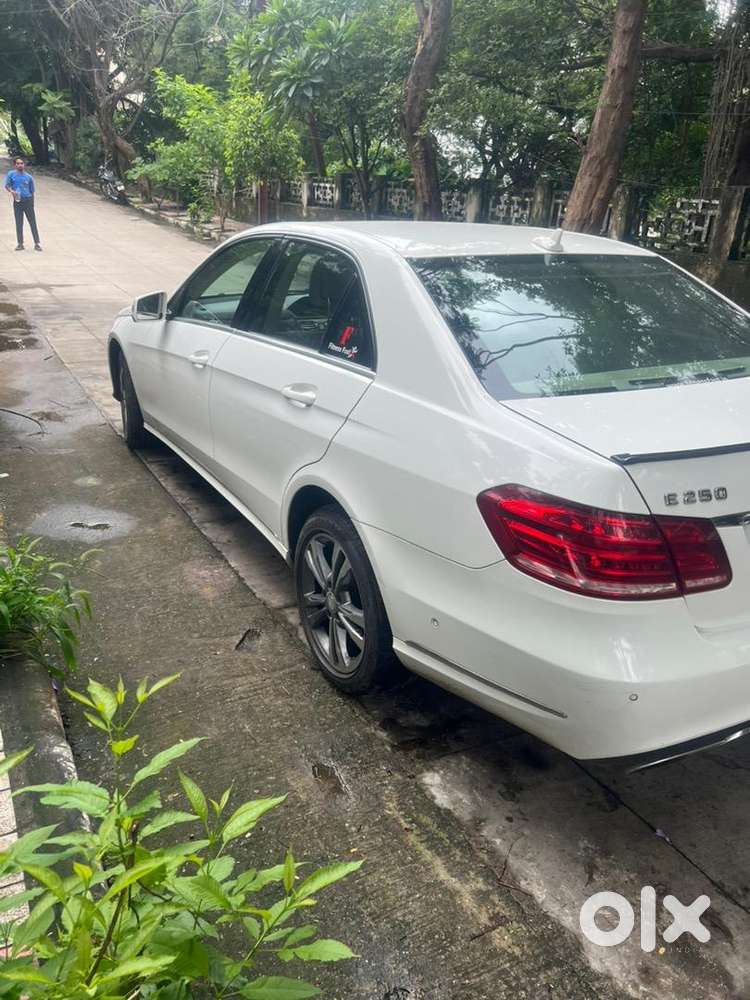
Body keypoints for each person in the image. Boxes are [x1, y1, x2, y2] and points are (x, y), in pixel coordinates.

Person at [4, 157, 42, 251]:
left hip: (28, 201)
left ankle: (37, 243)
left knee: (32, 223)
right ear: (15, 165)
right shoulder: (11, 174)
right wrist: (12, 191)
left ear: (24, 165)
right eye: (18, 163)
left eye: (21, 163)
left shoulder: (29, 177)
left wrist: (32, 203)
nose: (20, 165)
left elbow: (32, 191)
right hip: (17, 202)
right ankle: (20, 244)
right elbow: (7, 186)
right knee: (19, 223)